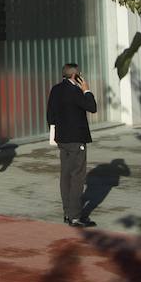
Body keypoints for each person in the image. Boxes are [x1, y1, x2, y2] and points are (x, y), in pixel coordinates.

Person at [47, 63, 98, 227]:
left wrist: (55, 132)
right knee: (77, 176)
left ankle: (67, 212)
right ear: (75, 76)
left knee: (66, 175)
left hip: (62, 139)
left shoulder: (55, 89)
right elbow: (92, 107)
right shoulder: (76, 91)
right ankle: (75, 216)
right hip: (76, 139)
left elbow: (50, 114)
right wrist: (87, 90)